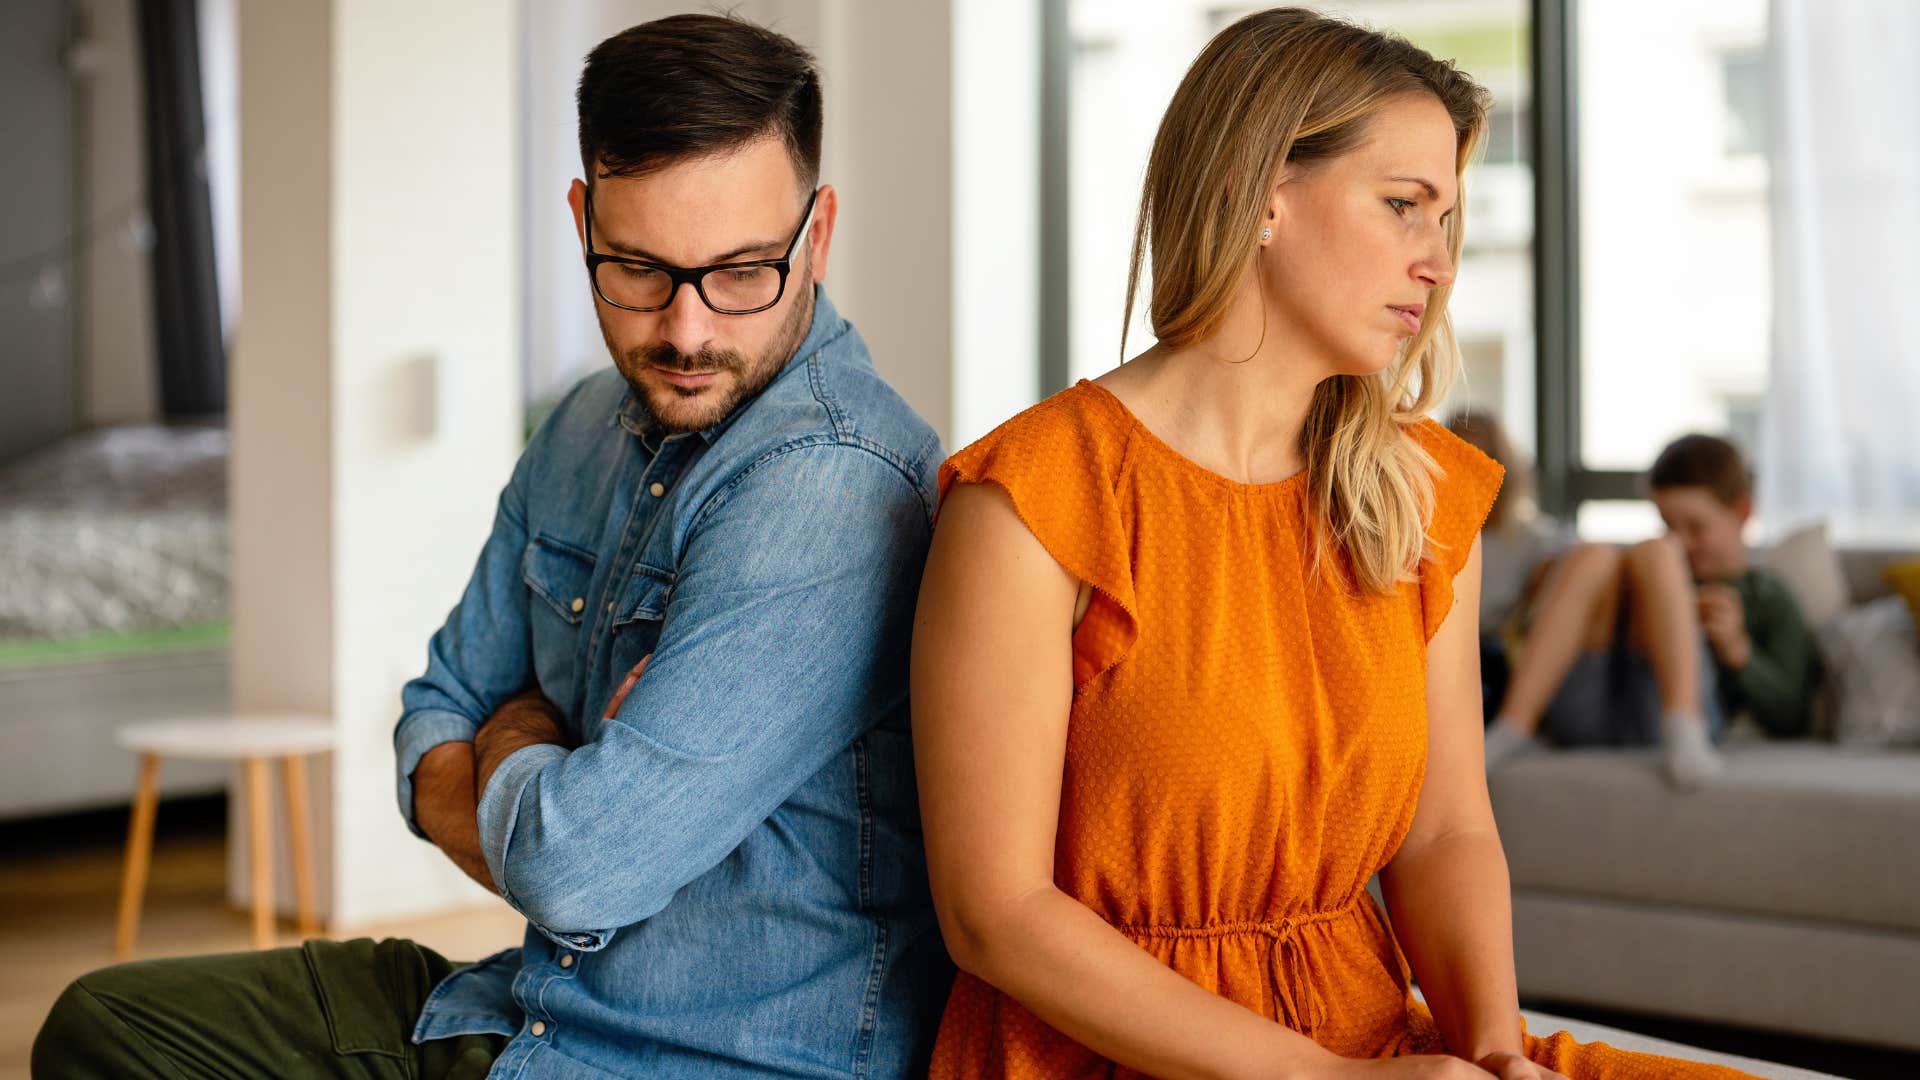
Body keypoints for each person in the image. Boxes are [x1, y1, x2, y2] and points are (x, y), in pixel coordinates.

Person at [34, 14, 950, 1078]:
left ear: (819, 233)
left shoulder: (831, 482)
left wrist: (513, 740)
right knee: (104, 1025)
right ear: (581, 223)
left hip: (704, 1059)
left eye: (744, 271)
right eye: (640, 270)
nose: (690, 330)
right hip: (523, 1011)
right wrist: (551, 786)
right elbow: (429, 725)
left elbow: (577, 868)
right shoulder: (576, 429)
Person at [908, 9, 1758, 1078]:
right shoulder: (1030, 501)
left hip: (1375, 1039)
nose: (1438, 264)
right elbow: (993, 914)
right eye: (1405, 207)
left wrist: (1495, 1056)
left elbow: (1446, 830)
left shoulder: (1416, 495)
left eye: (1446, 220)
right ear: (1258, 192)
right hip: (1118, 1056)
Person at [1479, 434, 1816, 785]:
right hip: (1587, 710)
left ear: (1743, 511)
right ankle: (1512, 727)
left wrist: (1740, 654)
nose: (1680, 541)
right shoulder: (1653, 565)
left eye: (1696, 527)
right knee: (1591, 556)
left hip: (1659, 718)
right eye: (1669, 524)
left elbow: (1794, 715)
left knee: (1656, 553)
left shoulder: (1769, 595)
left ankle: (1684, 725)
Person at [1442, 409, 1577, 718]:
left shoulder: (1536, 541)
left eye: (1479, 459)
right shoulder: (1429, 539)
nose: (1464, 476)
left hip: (1497, 657)